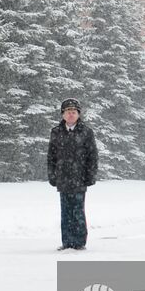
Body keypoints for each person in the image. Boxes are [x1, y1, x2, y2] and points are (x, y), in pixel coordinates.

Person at [48, 98, 98, 251]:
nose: (71, 114)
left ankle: (79, 242)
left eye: (74, 112)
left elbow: (92, 156)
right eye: (68, 112)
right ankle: (67, 242)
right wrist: (52, 175)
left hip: (79, 178)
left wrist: (90, 175)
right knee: (65, 212)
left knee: (77, 211)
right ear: (63, 114)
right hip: (63, 178)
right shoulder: (56, 132)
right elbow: (51, 156)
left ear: (78, 114)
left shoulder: (86, 132)